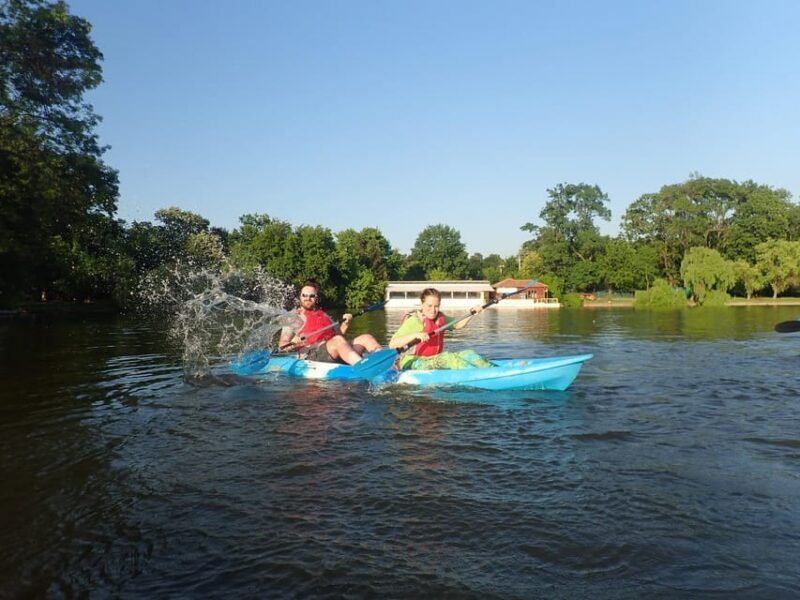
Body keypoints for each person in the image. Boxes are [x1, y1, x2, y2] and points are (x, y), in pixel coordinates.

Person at [389, 287, 494, 370]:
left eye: (436, 306)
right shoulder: (415, 320)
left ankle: (495, 370)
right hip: (413, 362)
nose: (433, 310)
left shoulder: (440, 318)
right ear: (422, 304)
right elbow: (392, 344)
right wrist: (416, 335)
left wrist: (472, 313)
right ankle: (477, 375)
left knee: (469, 353)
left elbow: (457, 325)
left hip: (433, 360)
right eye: (429, 306)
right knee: (447, 357)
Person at [279, 281, 382, 365]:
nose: (308, 298)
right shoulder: (293, 318)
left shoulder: (324, 316)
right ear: (300, 297)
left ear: (316, 298)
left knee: (366, 338)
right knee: (337, 340)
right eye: (304, 295)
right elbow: (282, 345)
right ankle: (362, 366)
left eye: (312, 296)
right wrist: (293, 344)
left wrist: (346, 323)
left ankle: (388, 363)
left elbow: (339, 337)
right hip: (311, 356)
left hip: (333, 352)